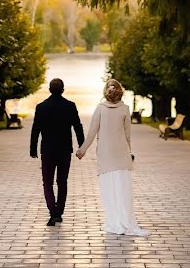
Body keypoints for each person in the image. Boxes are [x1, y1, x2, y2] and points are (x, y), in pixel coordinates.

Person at [75, 78, 148, 236]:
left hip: (105, 155)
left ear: (106, 91)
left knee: (109, 190)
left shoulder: (100, 108)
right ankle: (125, 221)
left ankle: (113, 221)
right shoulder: (125, 109)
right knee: (123, 190)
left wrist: (82, 150)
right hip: (121, 154)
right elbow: (128, 136)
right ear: (119, 91)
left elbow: (92, 133)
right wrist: (129, 154)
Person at [30, 78, 85, 226]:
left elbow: (36, 129)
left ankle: (52, 212)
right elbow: (77, 126)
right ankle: (59, 211)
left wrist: (33, 148)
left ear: (49, 90)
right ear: (63, 90)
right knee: (62, 182)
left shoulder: (41, 107)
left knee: (47, 182)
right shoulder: (70, 106)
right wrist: (82, 145)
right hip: (64, 150)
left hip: (47, 150)